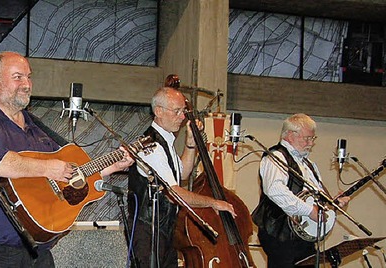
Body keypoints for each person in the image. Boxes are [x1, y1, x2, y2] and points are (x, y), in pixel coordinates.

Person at [0, 51, 134, 267]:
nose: (27, 84)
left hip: (36, 250)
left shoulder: (38, 130)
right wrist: (48, 168)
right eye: (18, 77)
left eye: (29, 77)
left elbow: (68, 176)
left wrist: (110, 167)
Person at [127, 87, 236, 268]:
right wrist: (213, 202)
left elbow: (182, 173)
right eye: (177, 111)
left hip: (165, 230)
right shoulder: (151, 146)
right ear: (158, 111)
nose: (182, 117)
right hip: (148, 231)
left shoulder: (166, 142)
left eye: (183, 111)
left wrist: (190, 145)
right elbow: (174, 193)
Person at [251, 113, 350, 267]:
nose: (310, 143)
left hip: (301, 236)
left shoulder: (308, 164)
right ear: (290, 135)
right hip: (280, 233)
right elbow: (275, 190)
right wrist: (309, 211)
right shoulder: (276, 157)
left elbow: (315, 196)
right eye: (307, 138)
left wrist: (333, 202)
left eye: (313, 139)